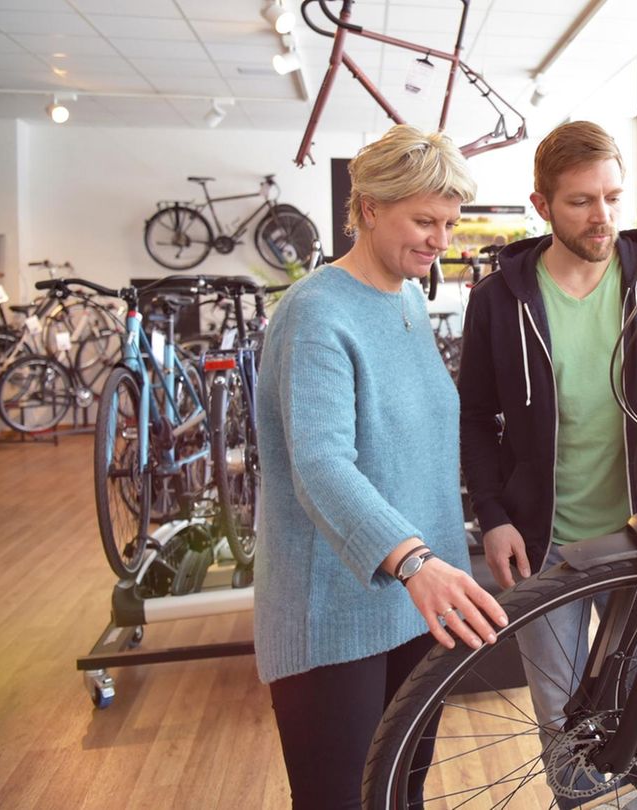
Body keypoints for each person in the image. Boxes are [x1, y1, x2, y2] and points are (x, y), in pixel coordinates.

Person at [457, 120, 637, 800]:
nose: (602, 216)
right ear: (542, 205)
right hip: (541, 546)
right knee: (565, 725)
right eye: (581, 201)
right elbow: (476, 418)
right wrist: (491, 517)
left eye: (612, 196)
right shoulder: (499, 301)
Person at [254, 123, 508, 810]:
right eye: (424, 220)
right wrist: (414, 562)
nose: (440, 240)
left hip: (414, 601)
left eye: (449, 223)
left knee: (404, 791)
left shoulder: (403, 298)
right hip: (335, 612)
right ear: (368, 207)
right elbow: (321, 465)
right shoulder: (315, 313)